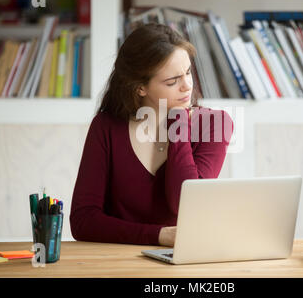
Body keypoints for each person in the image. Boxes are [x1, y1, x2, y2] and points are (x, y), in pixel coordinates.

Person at [69, 23, 234, 247]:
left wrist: (178, 123)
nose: (187, 86)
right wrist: (158, 235)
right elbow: (83, 221)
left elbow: (185, 204)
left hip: (182, 263)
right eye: (172, 81)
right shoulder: (106, 127)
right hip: (115, 262)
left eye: (188, 72)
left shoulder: (215, 124)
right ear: (140, 88)